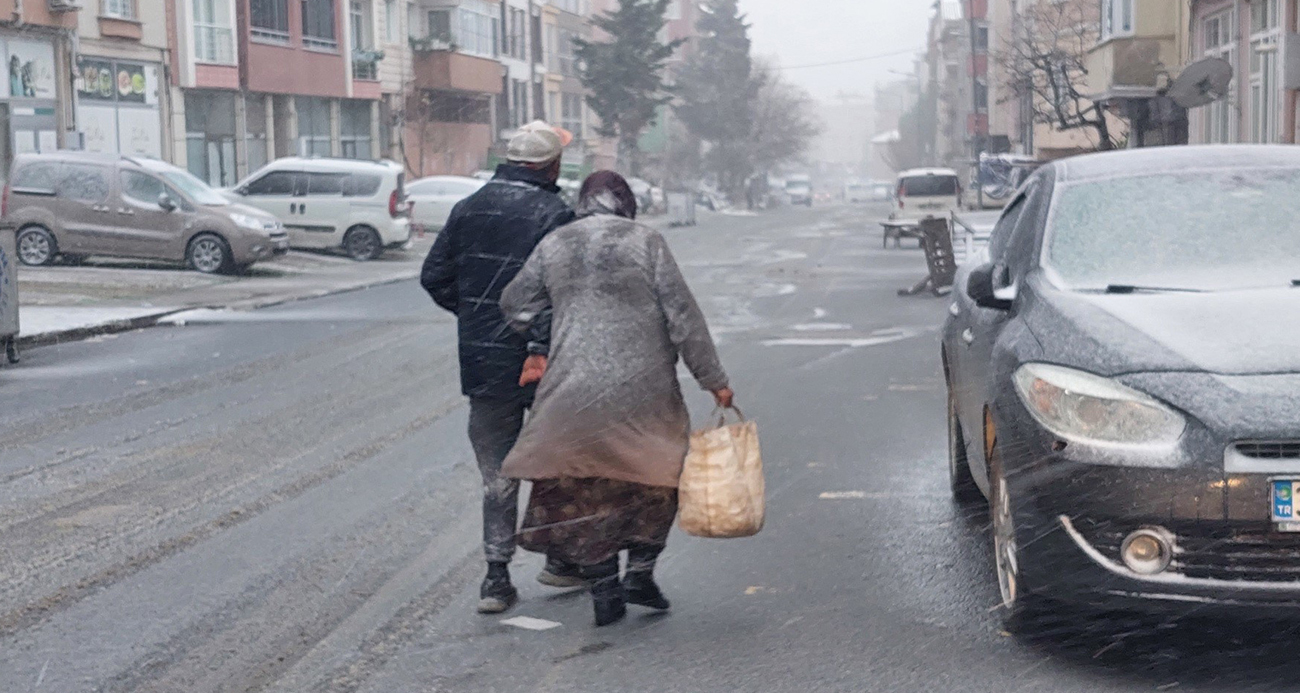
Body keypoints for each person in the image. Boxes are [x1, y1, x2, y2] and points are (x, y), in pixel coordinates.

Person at [499, 171, 735, 627]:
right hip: (644, 391)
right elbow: (682, 316)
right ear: (626, 203)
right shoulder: (646, 243)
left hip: (571, 391)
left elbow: (515, 304)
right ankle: (640, 573)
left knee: (585, 489)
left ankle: (604, 584)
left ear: (583, 202)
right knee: (657, 478)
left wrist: (553, 324)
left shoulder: (555, 244)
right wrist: (713, 379)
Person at [420, 121, 578, 615]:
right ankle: (560, 558)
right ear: (551, 166)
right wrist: (536, 338)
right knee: (555, 461)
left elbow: (434, 276)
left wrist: (475, 314)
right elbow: (560, 292)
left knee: (497, 472)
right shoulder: (553, 213)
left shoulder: (466, 209)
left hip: (485, 361)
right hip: (544, 363)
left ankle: (496, 576)